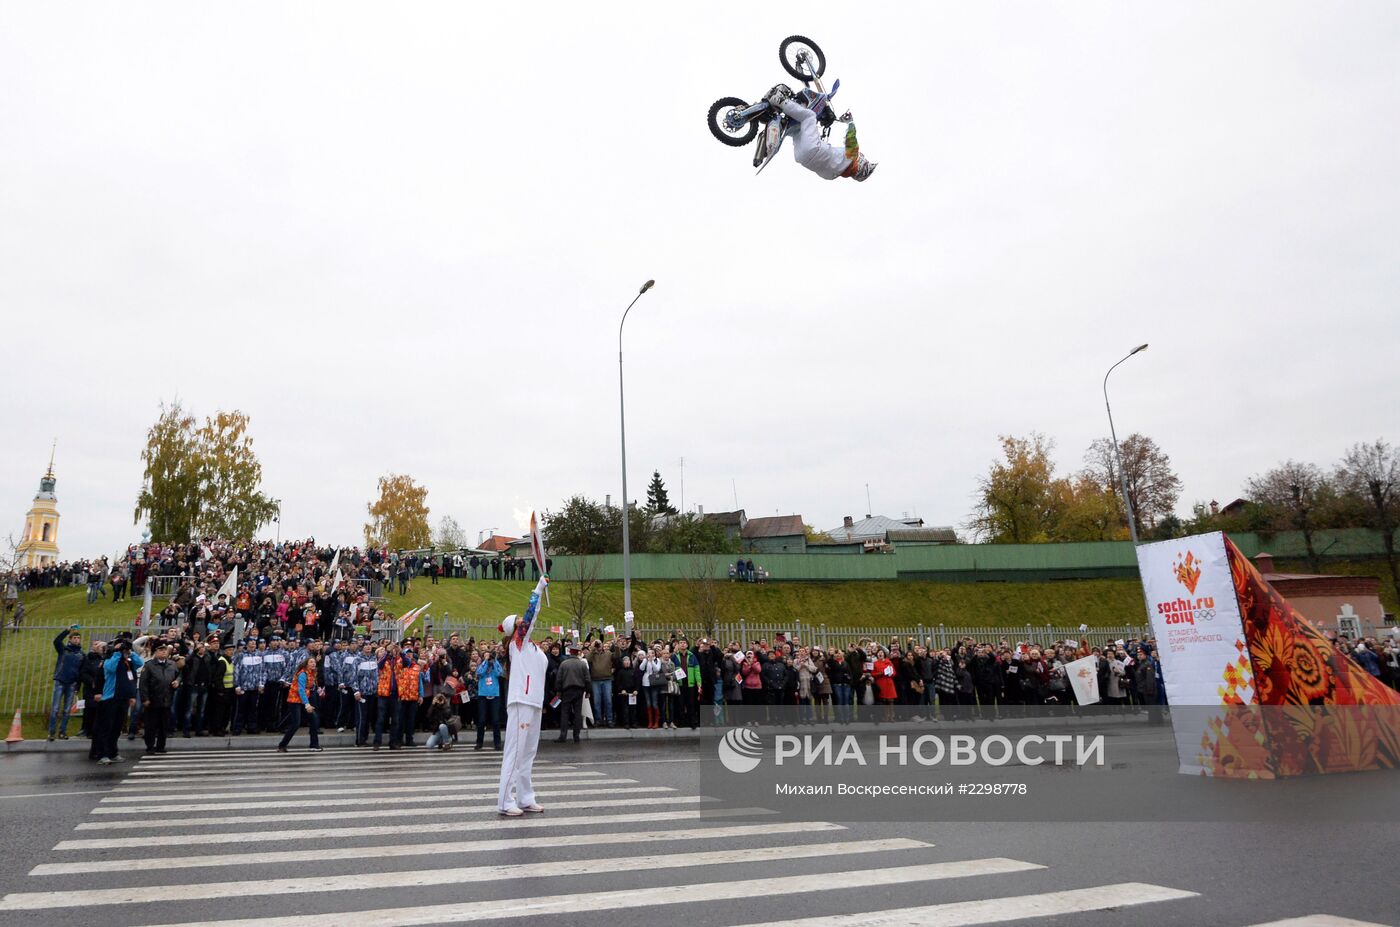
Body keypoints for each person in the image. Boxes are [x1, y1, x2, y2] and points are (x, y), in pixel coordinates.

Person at [496, 577, 549, 816]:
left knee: (528, 754)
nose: (523, 623)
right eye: (519, 622)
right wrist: (537, 589)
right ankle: (505, 800)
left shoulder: (532, 647)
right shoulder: (517, 644)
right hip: (521, 702)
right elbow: (531, 615)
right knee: (515, 752)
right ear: (514, 629)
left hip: (535, 702)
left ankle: (526, 797)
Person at [763, 90, 876, 182]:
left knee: (809, 116)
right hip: (801, 158)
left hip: (813, 148)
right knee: (795, 130)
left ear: (861, 165)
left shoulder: (852, 156)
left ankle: (780, 100)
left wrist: (850, 122)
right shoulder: (832, 176)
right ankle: (773, 135)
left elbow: (850, 138)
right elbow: (823, 160)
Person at [139, 642, 180, 754]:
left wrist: (177, 682)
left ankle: (161, 746)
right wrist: (145, 699)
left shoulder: (172, 664)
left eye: (165, 650)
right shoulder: (149, 665)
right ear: (156, 652)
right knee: (151, 725)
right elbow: (143, 684)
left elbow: (178, 675)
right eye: (160, 650)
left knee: (163, 725)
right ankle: (150, 746)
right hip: (153, 700)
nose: (163, 652)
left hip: (167, 699)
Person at [277, 657, 322, 752]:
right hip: (295, 700)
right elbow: (301, 690)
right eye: (311, 662)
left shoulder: (313, 673)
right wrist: (307, 704)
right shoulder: (303, 673)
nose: (313, 664)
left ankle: (314, 745)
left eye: (314, 662)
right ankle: (282, 745)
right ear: (306, 664)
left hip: (304, 699)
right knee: (296, 723)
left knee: (313, 720)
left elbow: (310, 688)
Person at [48, 626, 84, 741]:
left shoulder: (81, 655)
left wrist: (78, 685)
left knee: (67, 709)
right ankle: (51, 732)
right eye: (74, 638)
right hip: (60, 681)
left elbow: (80, 671)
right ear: (70, 639)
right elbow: (56, 641)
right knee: (55, 708)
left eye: (78, 638)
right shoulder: (63, 649)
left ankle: (62, 732)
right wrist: (67, 630)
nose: (77, 640)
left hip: (71, 684)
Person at [555, 642, 589, 743]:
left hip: (567, 690)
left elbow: (559, 679)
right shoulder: (582, 664)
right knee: (577, 713)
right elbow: (587, 679)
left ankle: (563, 735)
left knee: (565, 713)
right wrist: (588, 691)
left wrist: (558, 691)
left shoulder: (564, 664)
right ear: (578, 653)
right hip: (579, 690)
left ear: (570, 652)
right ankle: (576, 736)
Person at [475, 648, 504, 750]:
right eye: (486, 655)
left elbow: (499, 673)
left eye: (489, 655)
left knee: (496, 720)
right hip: (483, 694)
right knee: (482, 720)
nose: (489, 657)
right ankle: (479, 742)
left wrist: (494, 662)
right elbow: (480, 673)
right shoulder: (482, 664)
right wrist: (486, 662)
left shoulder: (495, 664)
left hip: (494, 695)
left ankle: (497, 743)